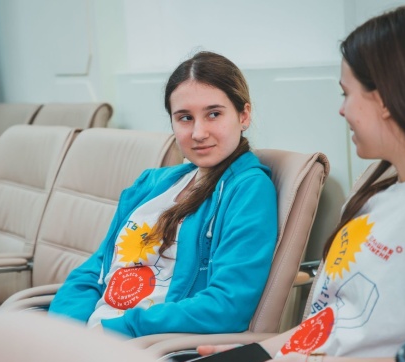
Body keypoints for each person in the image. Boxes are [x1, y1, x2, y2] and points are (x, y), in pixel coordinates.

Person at [197, 6, 405, 362]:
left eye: (347, 93)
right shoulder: (380, 192)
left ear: (385, 99)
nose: (341, 109)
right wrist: (255, 358)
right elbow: (333, 321)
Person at [48, 51, 278, 339]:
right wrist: (66, 332)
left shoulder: (248, 190)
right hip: (92, 338)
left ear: (244, 115)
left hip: (150, 346)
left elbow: (226, 305)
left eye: (214, 114)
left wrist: (114, 331)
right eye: (185, 118)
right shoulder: (152, 184)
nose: (198, 133)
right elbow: (96, 270)